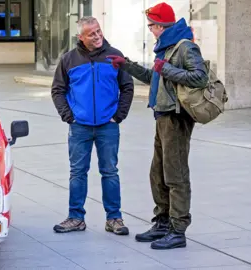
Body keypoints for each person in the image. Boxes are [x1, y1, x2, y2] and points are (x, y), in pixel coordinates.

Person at [107, 2, 209, 250]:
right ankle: (162, 222)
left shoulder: (185, 47)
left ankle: (177, 230)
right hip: (162, 115)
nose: (150, 29)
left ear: (161, 25)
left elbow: (200, 77)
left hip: (176, 117)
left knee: (176, 176)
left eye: (151, 25)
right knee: (158, 174)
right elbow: (155, 77)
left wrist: (169, 69)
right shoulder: (165, 48)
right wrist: (126, 65)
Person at [51, 16, 134, 235]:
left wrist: (119, 116)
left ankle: (114, 218)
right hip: (80, 127)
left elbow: (127, 87)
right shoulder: (69, 59)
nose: (97, 36)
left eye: (98, 31)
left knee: (110, 172)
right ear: (81, 37)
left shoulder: (115, 56)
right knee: (77, 172)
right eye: (91, 33)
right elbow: (58, 90)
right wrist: (69, 116)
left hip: (108, 126)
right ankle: (76, 217)